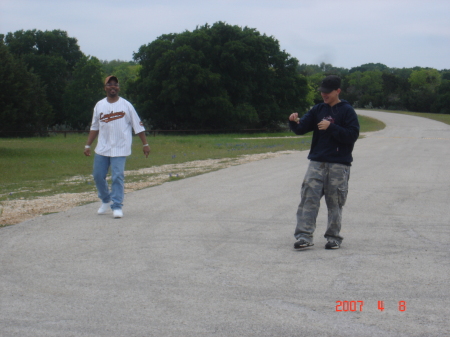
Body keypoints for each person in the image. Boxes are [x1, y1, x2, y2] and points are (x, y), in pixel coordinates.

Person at [288, 75, 359, 249]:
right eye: (322, 92)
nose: (324, 95)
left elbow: (352, 135)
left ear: (337, 91)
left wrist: (332, 127)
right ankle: (304, 236)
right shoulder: (318, 109)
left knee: (335, 202)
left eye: (327, 92)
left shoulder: (347, 111)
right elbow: (301, 128)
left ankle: (333, 237)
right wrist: (293, 122)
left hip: (338, 164)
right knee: (308, 199)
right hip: (317, 162)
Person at [84, 75, 150, 219]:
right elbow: (95, 127)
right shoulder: (99, 105)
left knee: (117, 176)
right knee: (98, 176)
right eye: (109, 84)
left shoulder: (126, 105)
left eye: (115, 84)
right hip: (103, 147)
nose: (112, 87)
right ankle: (106, 199)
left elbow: (137, 125)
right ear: (105, 88)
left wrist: (145, 144)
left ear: (118, 87)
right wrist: (87, 145)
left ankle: (117, 205)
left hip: (120, 147)